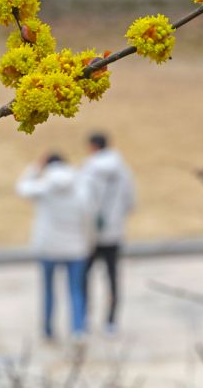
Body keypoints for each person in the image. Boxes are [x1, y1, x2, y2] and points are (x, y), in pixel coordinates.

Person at [16, 153, 94, 341]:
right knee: (76, 289)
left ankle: (48, 330)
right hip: (75, 248)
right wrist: (89, 243)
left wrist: (35, 168)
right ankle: (78, 330)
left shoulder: (44, 187)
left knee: (48, 290)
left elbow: (21, 188)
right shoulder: (80, 187)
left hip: (48, 247)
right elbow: (88, 218)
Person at [82, 132, 135, 334]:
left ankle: (85, 317)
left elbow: (84, 202)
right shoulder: (123, 169)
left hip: (92, 235)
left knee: (85, 278)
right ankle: (111, 321)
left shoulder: (88, 169)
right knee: (112, 278)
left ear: (93, 146)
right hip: (115, 232)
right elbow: (131, 201)